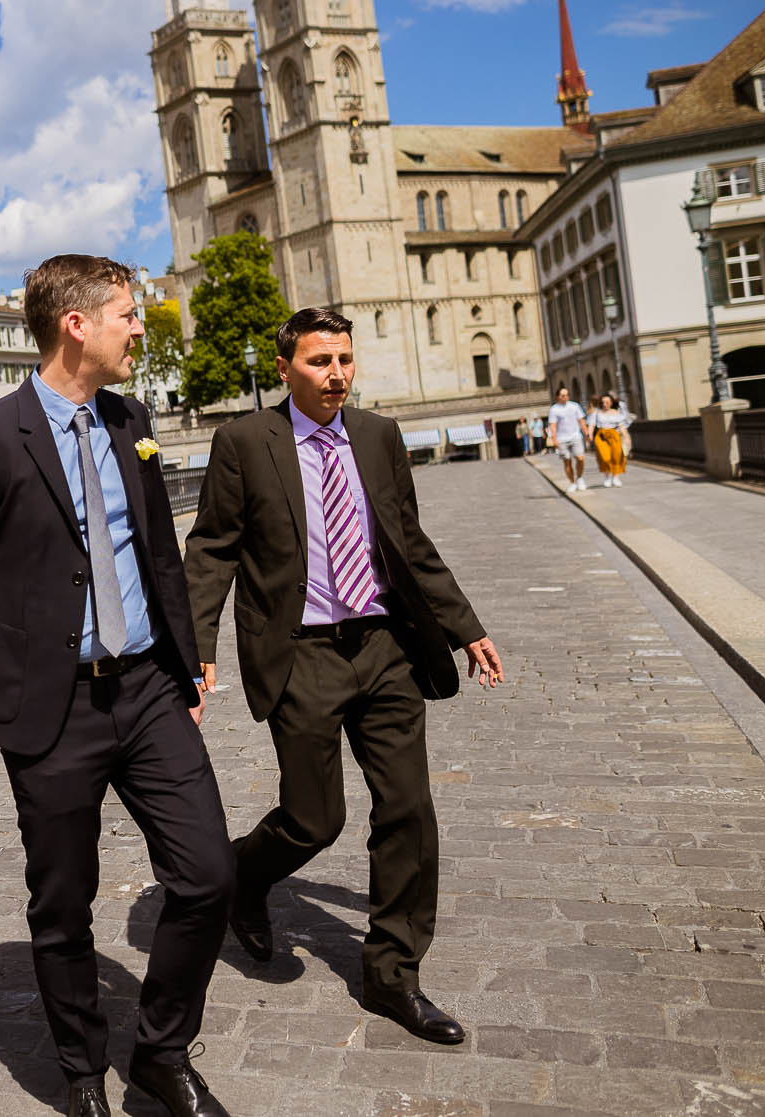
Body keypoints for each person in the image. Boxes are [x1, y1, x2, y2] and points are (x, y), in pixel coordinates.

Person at [0, 254, 232, 1117]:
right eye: (127, 313)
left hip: (148, 688)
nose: (140, 326)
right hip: (48, 709)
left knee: (207, 875)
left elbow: (160, 548)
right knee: (63, 901)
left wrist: (189, 652)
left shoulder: (132, 416)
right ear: (76, 325)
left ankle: (162, 1052)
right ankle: (82, 1069)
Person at [182, 307, 505, 1046]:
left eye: (346, 360)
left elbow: (409, 541)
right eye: (321, 361)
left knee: (408, 810)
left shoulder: (378, 436)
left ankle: (394, 974)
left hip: (385, 645)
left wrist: (467, 625)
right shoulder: (243, 443)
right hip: (300, 653)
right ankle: (245, 876)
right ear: (286, 366)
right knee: (314, 817)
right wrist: (196, 646)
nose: (337, 375)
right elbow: (212, 551)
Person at [545, 387, 591, 491]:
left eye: (567, 395)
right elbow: (553, 425)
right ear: (558, 397)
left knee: (580, 458)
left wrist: (586, 433)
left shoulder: (575, 406)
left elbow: (581, 421)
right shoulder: (554, 409)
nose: (565, 397)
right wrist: (554, 439)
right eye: (563, 395)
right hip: (562, 439)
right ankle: (572, 483)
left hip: (575, 436)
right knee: (567, 461)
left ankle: (579, 478)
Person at [590, 393, 631, 487]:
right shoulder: (596, 412)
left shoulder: (616, 413)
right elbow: (592, 424)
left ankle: (615, 477)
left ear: (611, 403)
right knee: (605, 457)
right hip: (601, 436)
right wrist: (589, 434)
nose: (605, 404)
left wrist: (626, 437)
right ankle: (607, 477)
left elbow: (622, 426)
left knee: (616, 457)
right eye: (603, 402)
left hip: (614, 435)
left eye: (607, 402)